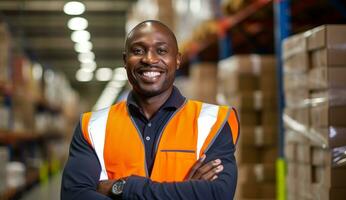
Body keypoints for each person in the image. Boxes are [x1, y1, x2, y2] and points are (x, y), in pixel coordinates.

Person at [61, 20, 239, 200]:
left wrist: (122, 187)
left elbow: (218, 194)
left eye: (161, 51)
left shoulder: (213, 122)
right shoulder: (93, 127)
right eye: (138, 51)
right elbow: (74, 195)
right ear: (125, 61)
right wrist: (187, 192)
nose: (149, 59)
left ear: (177, 60)